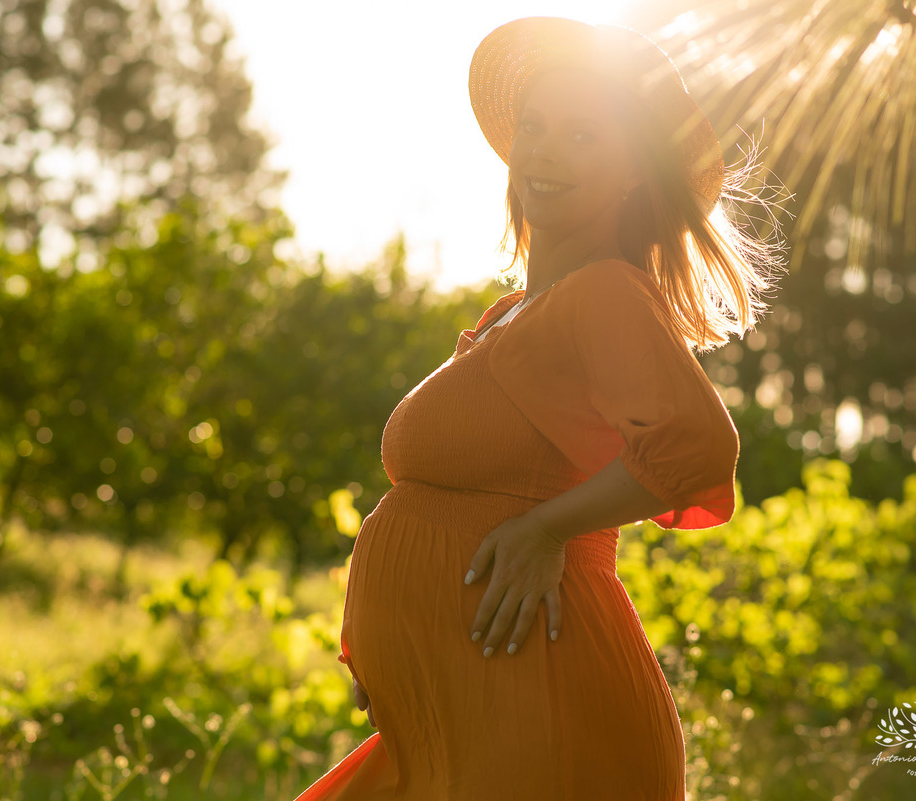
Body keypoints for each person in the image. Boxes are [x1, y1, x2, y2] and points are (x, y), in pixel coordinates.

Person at [294, 16, 779, 801]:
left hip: (540, 696)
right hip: (460, 705)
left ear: (631, 172)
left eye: (584, 135)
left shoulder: (604, 292)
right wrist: (396, 649)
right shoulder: (511, 313)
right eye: (536, 127)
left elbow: (695, 450)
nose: (547, 151)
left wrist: (547, 527)